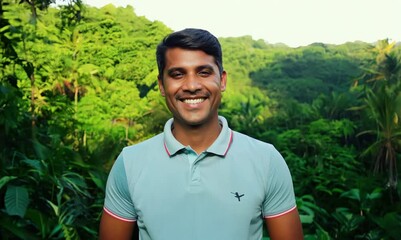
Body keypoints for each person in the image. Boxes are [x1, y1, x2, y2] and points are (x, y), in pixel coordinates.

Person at [99, 28, 303, 240]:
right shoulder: (130, 163)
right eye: (177, 74)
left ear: (222, 80)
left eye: (204, 72)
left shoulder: (266, 160)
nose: (192, 86)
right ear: (161, 85)